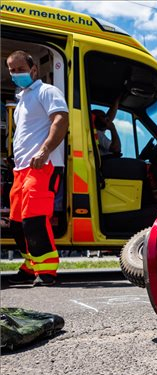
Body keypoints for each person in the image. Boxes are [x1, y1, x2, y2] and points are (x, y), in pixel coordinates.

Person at [6, 50, 69, 286]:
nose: (15, 74)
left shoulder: (47, 91)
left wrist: (44, 151)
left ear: (34, 70)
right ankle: (31, 265)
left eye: (20, 69)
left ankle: (47, 272)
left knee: (34, 219)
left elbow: (61, 119)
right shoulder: (23, 99)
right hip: (21, 169)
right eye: (12, 70)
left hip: (43, 165)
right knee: (16, 223)